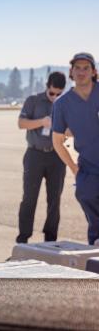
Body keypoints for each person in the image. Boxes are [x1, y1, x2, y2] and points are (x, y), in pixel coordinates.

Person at [52, 52, 99, 246]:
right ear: (71, 72)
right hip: (88, 170)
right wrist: (74, 169)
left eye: (85, 68)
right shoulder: (63, 104)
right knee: (94, 223)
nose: (81, 72)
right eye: (77, 68)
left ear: (94, 71)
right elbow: (57, 141)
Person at [16, 72, 67, 244]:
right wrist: (42, 121)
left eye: (59, 94)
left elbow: (72, 129)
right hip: (34, 155)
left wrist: (64, 131)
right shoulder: (33, 100)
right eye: (52, 93)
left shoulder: (66, 104)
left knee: (54, 200)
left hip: (57, 155)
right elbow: (21, 123)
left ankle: (50, 238)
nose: (55, 98)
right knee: (29, 198)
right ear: (47, 87)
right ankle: (23, 238)